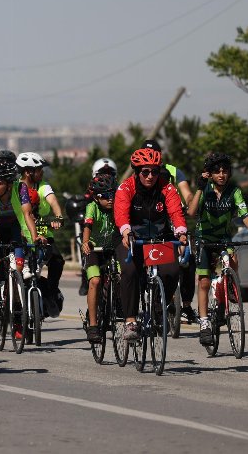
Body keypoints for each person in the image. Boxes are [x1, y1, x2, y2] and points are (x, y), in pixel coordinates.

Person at [114, 147, 187, 340]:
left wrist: (180, 232)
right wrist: (126, 230)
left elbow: (176, 213)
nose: (150, 176)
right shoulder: (126, 187)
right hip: (131, 239)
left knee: (172, 272)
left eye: (154, 172)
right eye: (145, 172)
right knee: (129, 271)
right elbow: (121, 212)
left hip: (159, 238)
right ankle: (130, 321)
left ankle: (157, 308)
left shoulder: (167, 188)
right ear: (137, 172)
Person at [186, 153, 248, 345]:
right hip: (204, 239)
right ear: (210, 174)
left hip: (223, 237)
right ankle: (205, 323)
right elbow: (191, 212)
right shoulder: (205, 189)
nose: (221, 174)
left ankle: (228, 292)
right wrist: (199, 188)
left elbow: (245, 214)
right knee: (204, 281)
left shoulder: (234, 191)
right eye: (217, 171)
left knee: (233, 260)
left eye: (225, 171)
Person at [0, 162, 38, 333]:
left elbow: (28, 214)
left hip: (14, 228)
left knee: (18, 269)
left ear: (10, 185)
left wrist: (36, 237)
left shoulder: (20, 189)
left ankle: (17, 318)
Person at [140, 139, 197, 324]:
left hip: (175, 219)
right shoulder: (141, 174)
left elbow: (186, 192)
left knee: (188, 259)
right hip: (153, 222)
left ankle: (186, 304)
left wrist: (190, 203)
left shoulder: (173, 171)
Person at [16, 152, 66, 298]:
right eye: (39, 169)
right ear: (27, 172)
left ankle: (51, 291)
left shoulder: (43, 186)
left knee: (57, 260)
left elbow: (53, 201)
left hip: (43, 233)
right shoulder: (16, 188)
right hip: (21, 234)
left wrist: (58, 217)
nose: (42, 172)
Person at [80, 173, 117, 343]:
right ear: (96, 197)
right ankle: (93, 325)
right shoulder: (91, 207)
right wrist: (86, 242)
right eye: (106, 196)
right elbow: (87, 225)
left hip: (112, 248)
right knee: (95, 281)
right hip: (95, 249)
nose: (110, 199)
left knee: (123, 276)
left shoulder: (117, 206)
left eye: (113, 195)